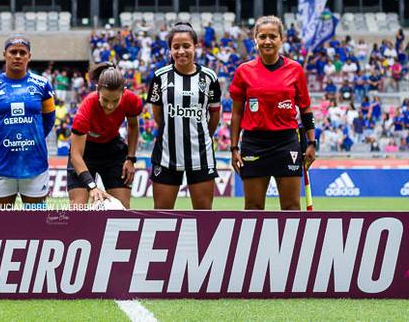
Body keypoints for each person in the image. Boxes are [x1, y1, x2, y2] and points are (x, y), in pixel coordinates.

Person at [229, 15, 317, 211]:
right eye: (262, 37)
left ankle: (292, 244)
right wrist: (234, 148)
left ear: (281, 39)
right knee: (253, 207)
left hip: (286, 144)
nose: (267, 41)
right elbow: (236, 114)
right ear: (255, 40)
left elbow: (305, 109)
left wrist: (311, 143)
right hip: (254, 144)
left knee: (292, 207)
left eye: (272, 36)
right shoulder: (244, 71)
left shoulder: (295, 70)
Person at [147, 23, 222, 209]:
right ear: (170, 50)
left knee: (204, 217)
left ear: (196, 47)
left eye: (186, 46)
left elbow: (214, 115)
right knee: (162, 216)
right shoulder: (159, 77)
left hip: (201, 155)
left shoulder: (209, 77)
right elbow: (158, 114)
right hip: (166, 156)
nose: (181, 51)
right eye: (176, 47)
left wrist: (203, 136)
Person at [0, 36, 55, 208]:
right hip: (1, 166)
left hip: (35, 165)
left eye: (22, 52)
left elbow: (49, 120)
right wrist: (0, 138)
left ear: (29, 56)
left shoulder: (43, 85)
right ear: (5, 54)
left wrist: (35, 140)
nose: (18, 56)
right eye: (13, 52)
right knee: (3, 225)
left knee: (36, 223)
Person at [67, 63, 141, 209]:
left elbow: (133, 125)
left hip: (113, 150)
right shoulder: (85, 110)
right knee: (77, 210)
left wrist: (131, 158)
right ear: (97, 90)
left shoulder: (131, 100)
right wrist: (92, 186)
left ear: (123, 92)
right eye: (105, 100)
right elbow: (75, 154)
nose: (109, 106)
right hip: (85, 152)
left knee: (122, 209)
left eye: (115, 101)